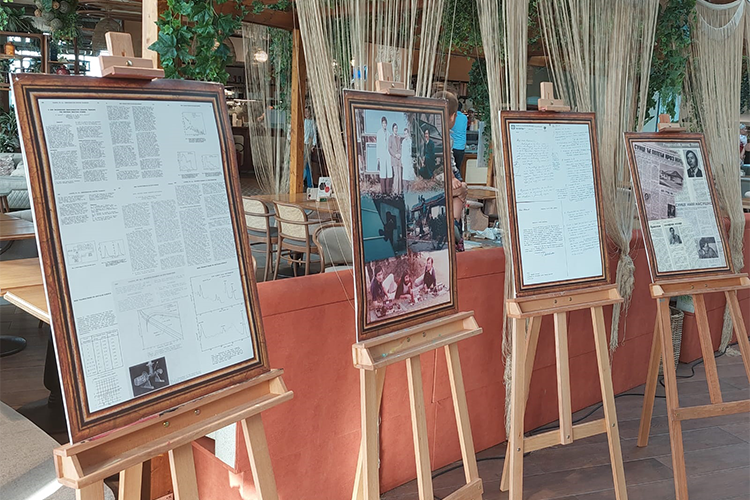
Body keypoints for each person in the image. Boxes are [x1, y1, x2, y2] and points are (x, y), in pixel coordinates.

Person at [432, 90, 469, 252]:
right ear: (453, 116)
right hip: (447, 173)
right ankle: (454, 221)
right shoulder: (443, 136)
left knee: (460, 190)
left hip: (438, 174)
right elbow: (446, 160)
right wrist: (453, 178)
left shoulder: (430, 133)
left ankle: (453, 222)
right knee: (461, 190)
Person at [450, 101, 468, 171]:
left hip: (452, 146)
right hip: (461, 146)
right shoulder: (464, 118)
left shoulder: (452, 117)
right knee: (457, 168)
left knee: (450, 168)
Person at [376, 116, 393, 193]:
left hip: (388, 154)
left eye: (385, 123)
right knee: (383, 172)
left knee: (388, 172)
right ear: (381, 124)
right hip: (382, 154)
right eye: (383, 123)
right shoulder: (379, 133)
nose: (384, 125)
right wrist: (378, 157)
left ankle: (388, 191)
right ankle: (383, 191)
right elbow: (378, 145)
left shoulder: (388, 133)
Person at [303, 108, 317, 189]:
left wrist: (313, 145)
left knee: (307, 164)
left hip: (308, 144)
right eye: (305, 112)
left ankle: (309, 184)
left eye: (307, 111)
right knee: (303, 164)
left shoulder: (312, 122)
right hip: (302, 144)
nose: (306, 113)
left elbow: (314, 134)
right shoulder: (303, 122)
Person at [388, 123, 402, 194]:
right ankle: (395, 192)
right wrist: (395, 155)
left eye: (396, 128)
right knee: (396, 175)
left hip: (399, 159)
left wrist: (399, 154)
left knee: (399, 176)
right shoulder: (390, 137)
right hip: (394, 159)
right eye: (395, 128)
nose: (396, 129)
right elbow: (389, 148)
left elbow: (400, 148)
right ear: (392, 129)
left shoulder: (399, 137)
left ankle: (399, 191)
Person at [401, 125, 415, 191]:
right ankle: (405, 190)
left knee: (410, 177)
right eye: (404, 134)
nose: (405, 135)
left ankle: (410, 190)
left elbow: (411, 151)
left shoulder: (410, 141)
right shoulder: (403, 142)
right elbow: (402, 152)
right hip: (404, 160)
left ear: (408, 133)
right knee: (405, 177)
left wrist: (411, 160)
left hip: (409, 160)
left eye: (406, 133)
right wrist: (402, 161)